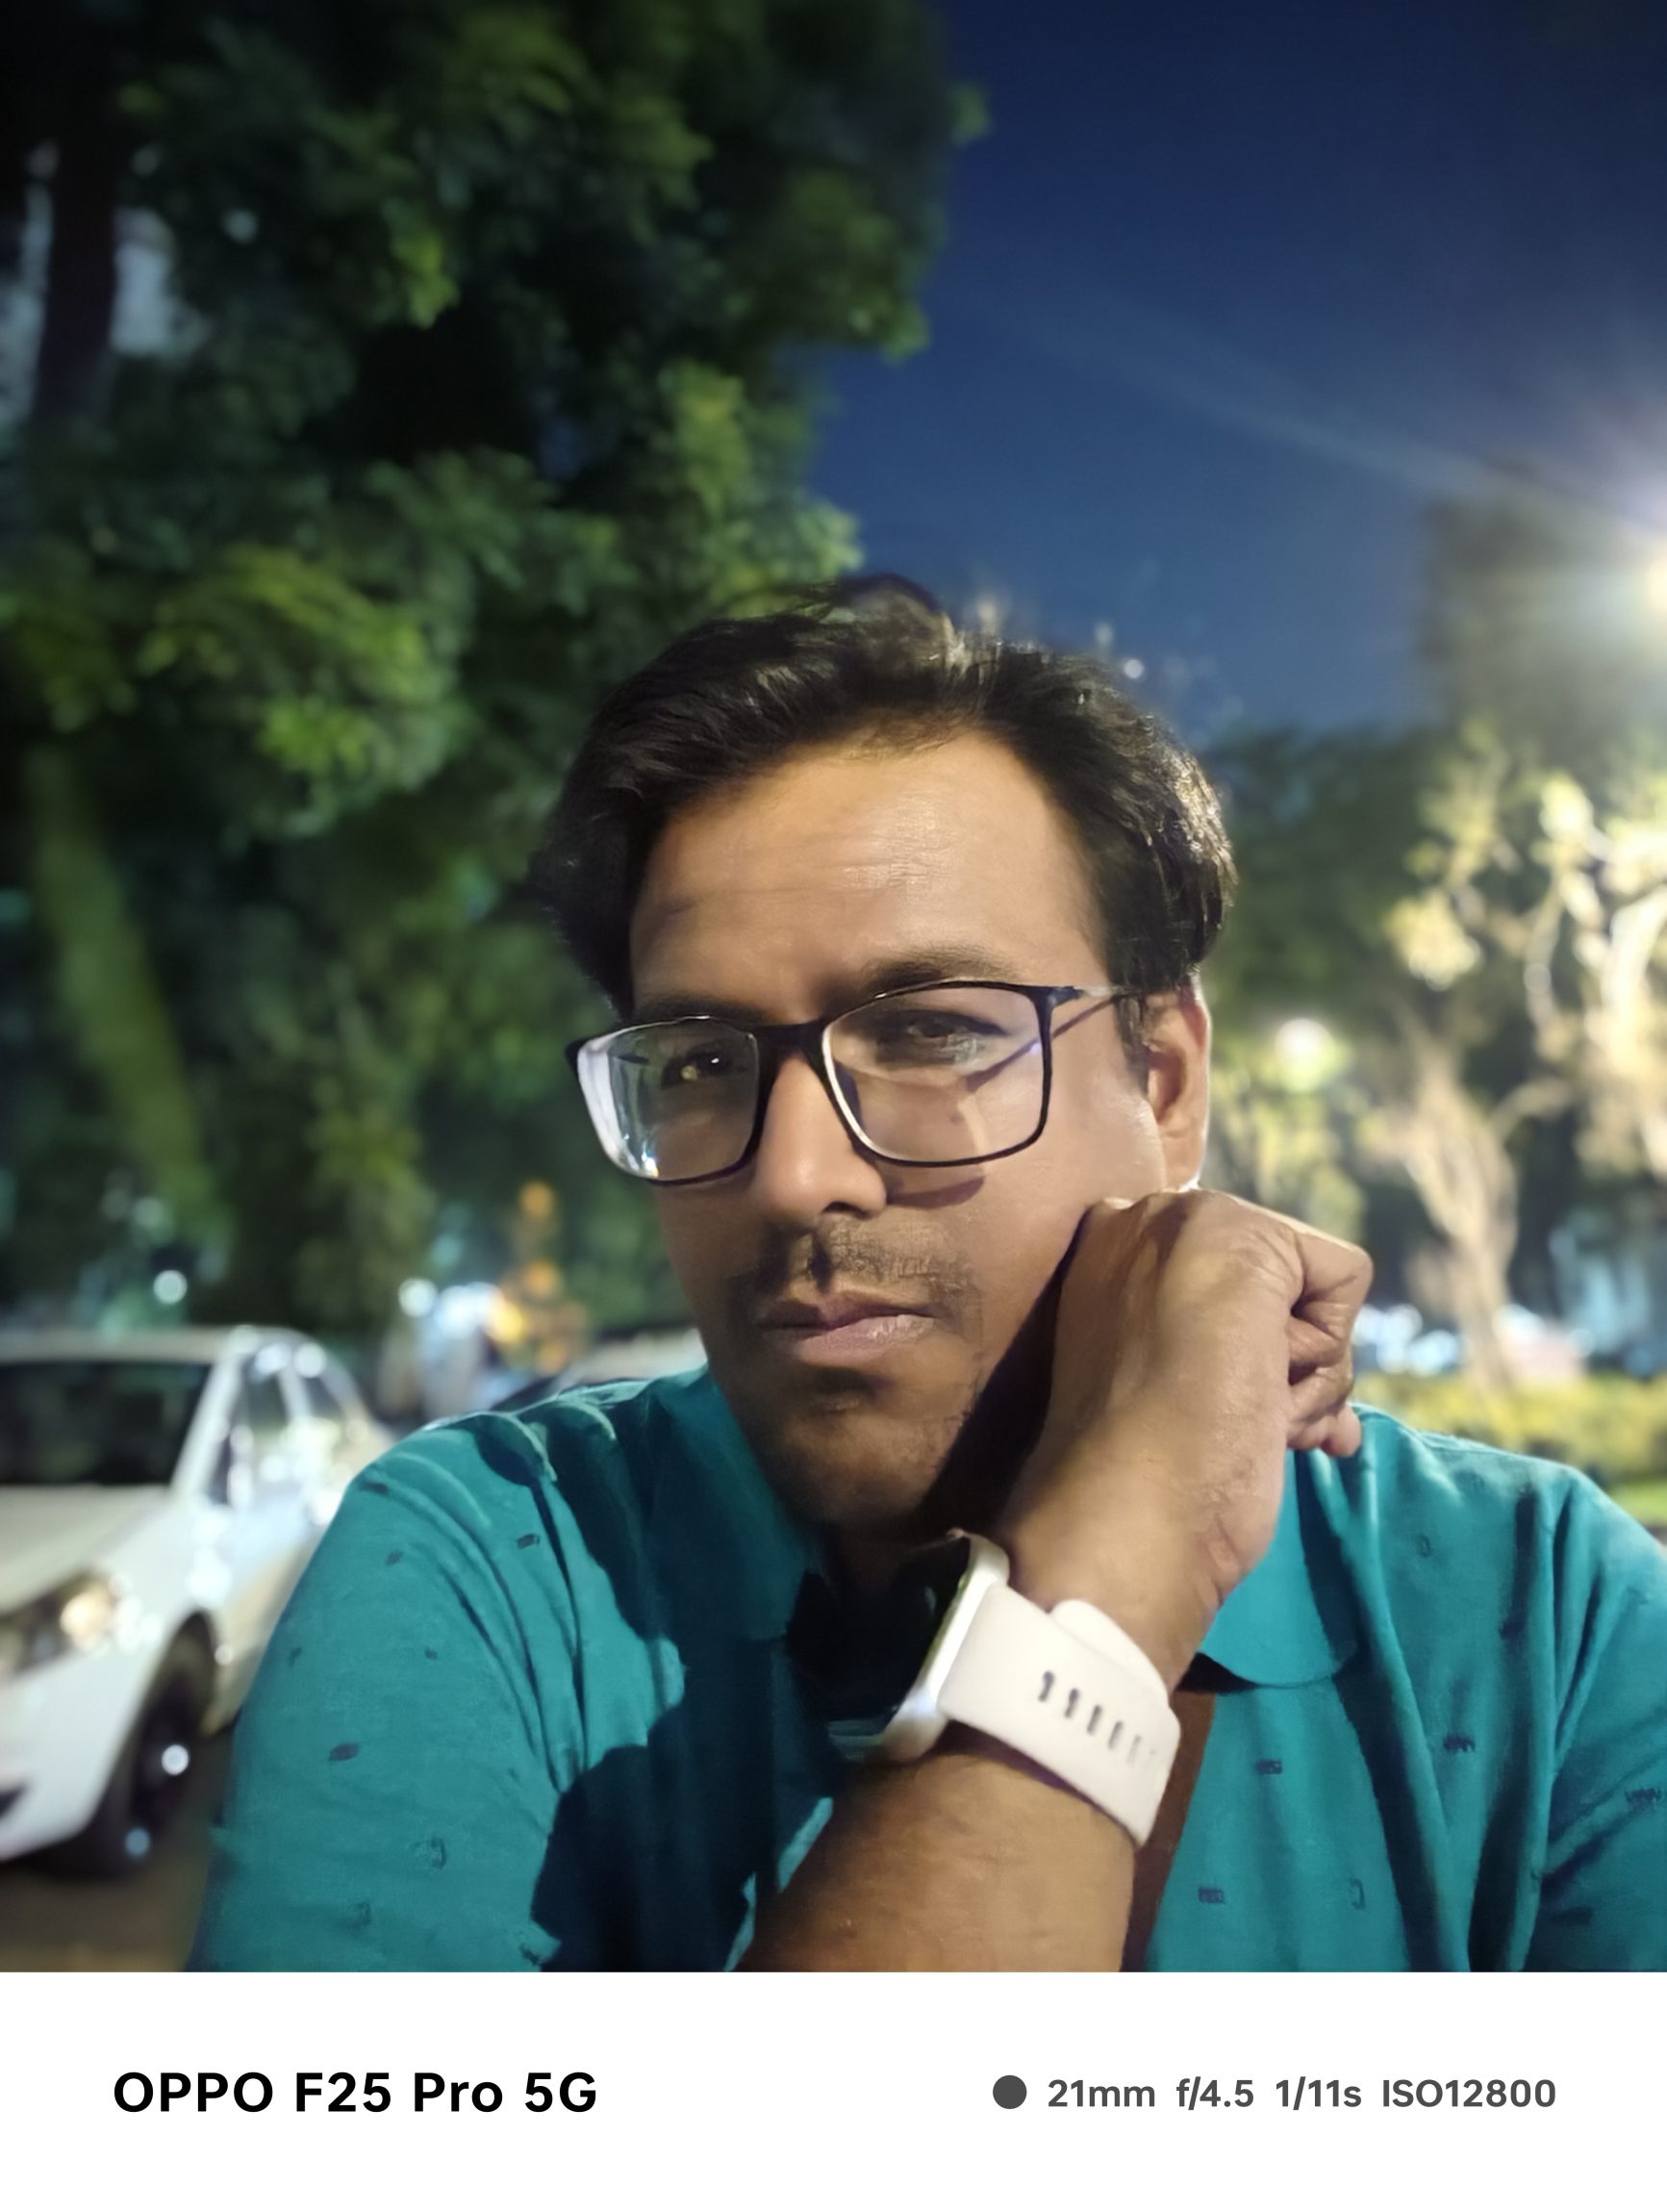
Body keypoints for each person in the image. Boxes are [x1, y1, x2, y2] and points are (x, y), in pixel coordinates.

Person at [190, 578, 1667, 1971]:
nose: (791, 1176)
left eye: (929, 1032)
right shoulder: (500, 1563)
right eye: (699, 1064)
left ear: (1160, 1084)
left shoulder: (1536, 1612)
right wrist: (1107, 1570)